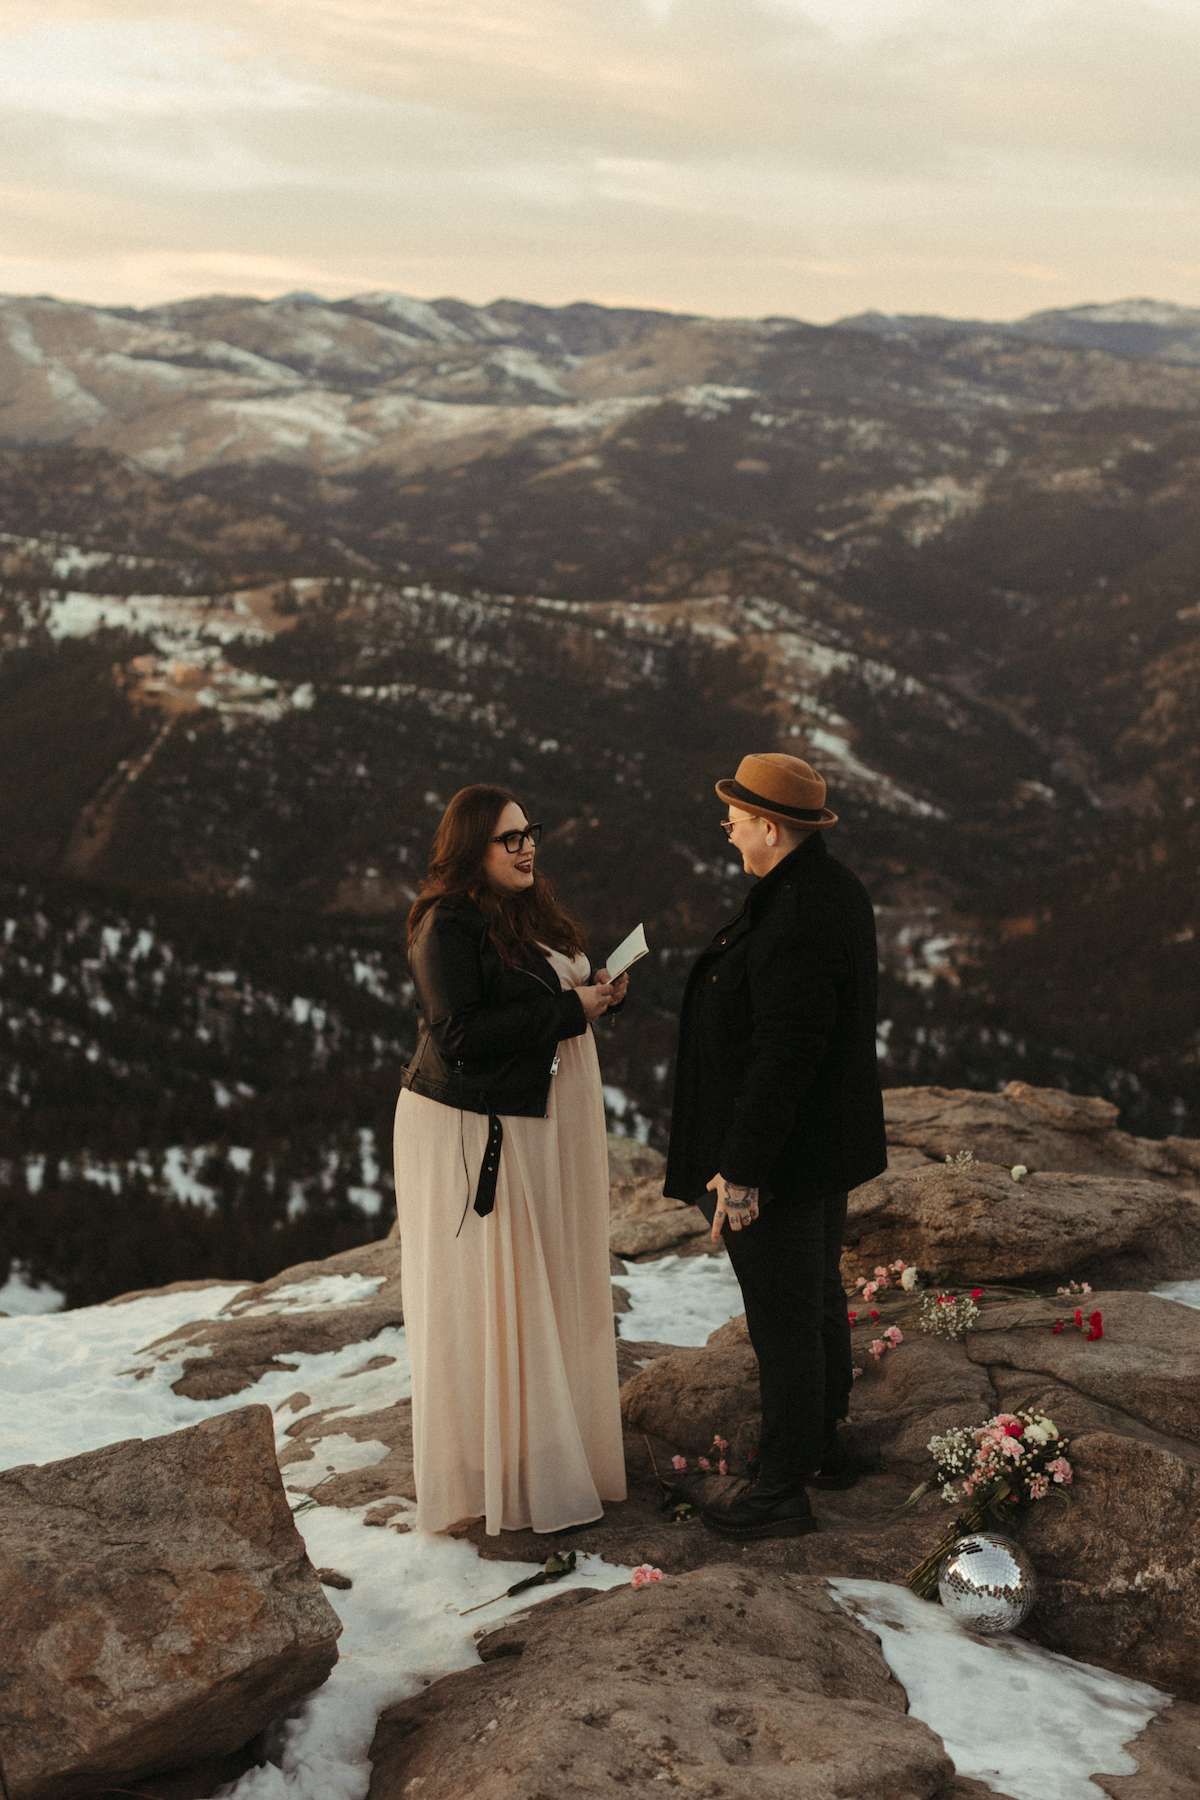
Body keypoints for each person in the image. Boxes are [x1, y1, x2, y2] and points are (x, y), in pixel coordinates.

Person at [393, 784, 629, 1535]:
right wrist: (569, 1011)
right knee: (500, 1289)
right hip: (472, 1124)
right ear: (472, 846)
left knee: (540, 1280)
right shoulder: (446, 922)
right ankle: (498, 1469)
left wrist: (596, 995)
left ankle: (538, 1450)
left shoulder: (523, 909)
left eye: (530, 833)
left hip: (532, 1114)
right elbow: (458, 1034)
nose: (527, 848)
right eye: (509, 838)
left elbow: (531, 995)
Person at [663, 752, 887, 1540]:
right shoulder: (828, 887)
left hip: (784, 1157)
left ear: (769, 826)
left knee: (783, 1320)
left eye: (735, 818)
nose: (726, 829)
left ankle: (781, 1491)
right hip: (821, 1147)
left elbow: (784, 1054)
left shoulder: (795, 915)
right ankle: (820, 1444)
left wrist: (743, 1171)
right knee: (814, 1298)